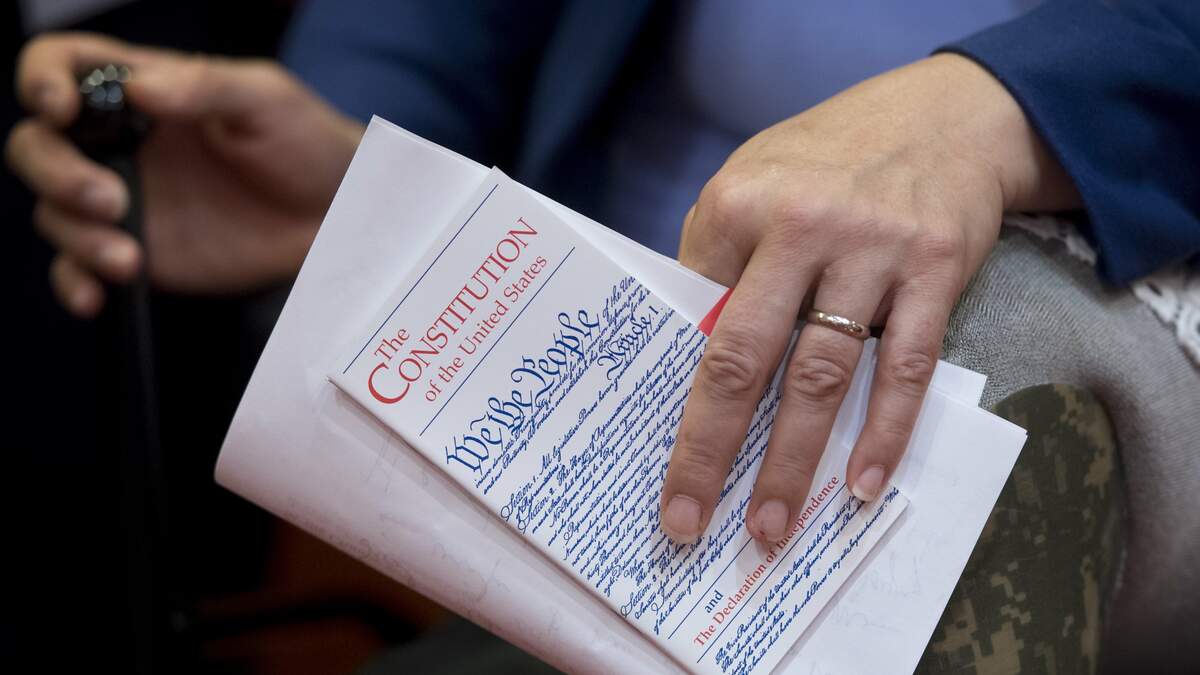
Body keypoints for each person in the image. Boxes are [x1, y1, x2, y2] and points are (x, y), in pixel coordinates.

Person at [7, 0, 1199, 670]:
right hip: (595, 397)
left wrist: (996, 106)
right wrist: (383, 196)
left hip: (1081, 298)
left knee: (975, 333)